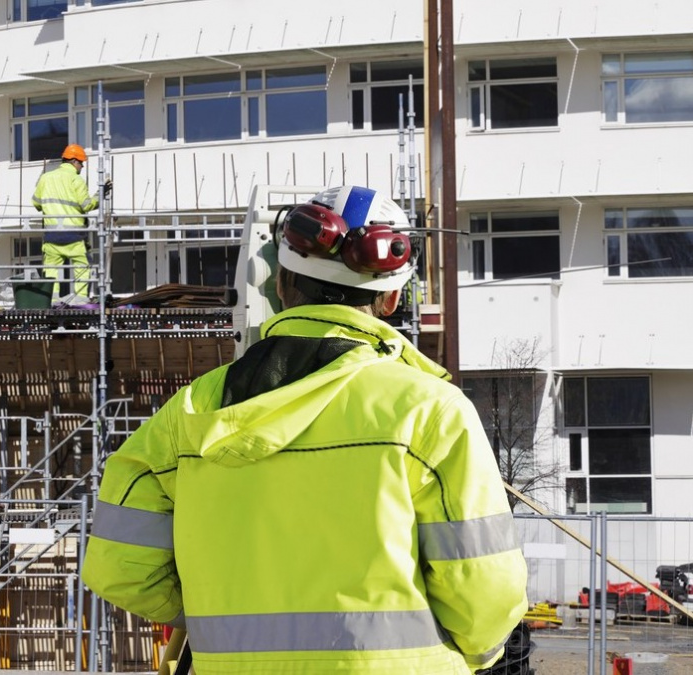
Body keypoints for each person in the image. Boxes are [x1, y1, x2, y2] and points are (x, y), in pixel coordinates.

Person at [82, 185, 528, 674]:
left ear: (279, 282)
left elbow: (118, 568)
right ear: (394, 296)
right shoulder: (429, 410)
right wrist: (480, 653)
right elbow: (486, 593)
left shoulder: (187, 413)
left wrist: (223, 615)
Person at [31, 143, 111, 304]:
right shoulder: (76, 179)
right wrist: (100, 193)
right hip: (74, 235)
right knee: (81, 266)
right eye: (81, 163)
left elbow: (36, 203)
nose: (81, 166)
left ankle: (52, 300)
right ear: (74, 161)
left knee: (51, 269)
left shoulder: (45, 178)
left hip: (52, 234)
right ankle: (80, 299)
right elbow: (86, 205)